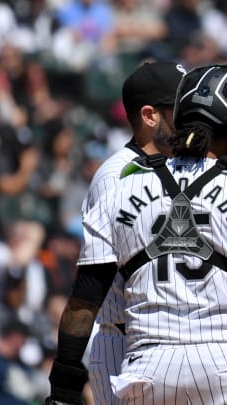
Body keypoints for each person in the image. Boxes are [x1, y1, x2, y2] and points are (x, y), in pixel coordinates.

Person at [46, 64, 227, 405]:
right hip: (219, 360)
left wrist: (63, 385)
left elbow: (84, 296)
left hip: (147, 360)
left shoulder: (127, 184)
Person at [80, 60, 185, 405]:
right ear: (150, 116)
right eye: (180, 108)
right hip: (124, 344)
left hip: (167, 342)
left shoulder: (180, 169)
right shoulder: (115, 176)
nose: (192, 116)